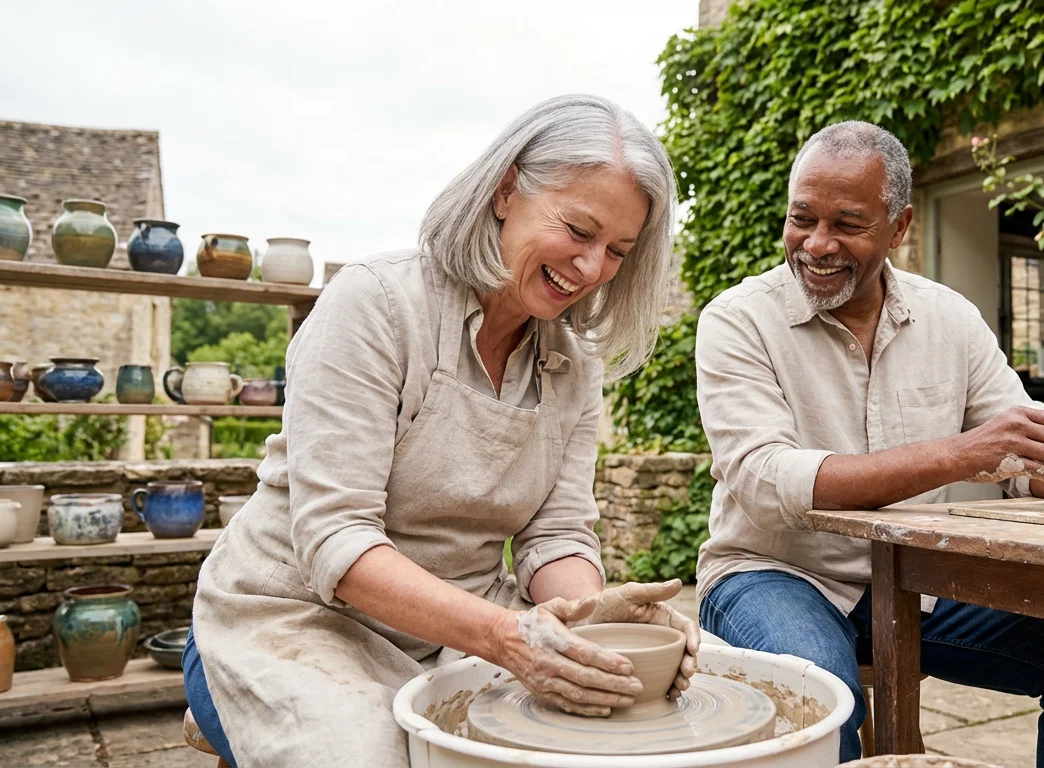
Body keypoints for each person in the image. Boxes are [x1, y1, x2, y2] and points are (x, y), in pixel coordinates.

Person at [182, 94, 700, 767]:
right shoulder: (377, 304)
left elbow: (556, 534)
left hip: (464, 628)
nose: (592, 267)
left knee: (590, 740)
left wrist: (594, 619)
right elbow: (337, 538)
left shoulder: (574, 364)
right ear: (507, 189)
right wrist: (508, 637)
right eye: (578, 229)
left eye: (617, 251)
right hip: (295, 618)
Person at [694, 121, 1044, 767]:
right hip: (770, 572)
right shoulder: (738, 319)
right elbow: (767, 481)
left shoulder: (950, 318)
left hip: (916, 584)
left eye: (847, 224)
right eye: (802, 219)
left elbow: (1025, 455)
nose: (816, 244)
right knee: (824, 695)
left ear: (900, 226)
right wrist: (962, 453)